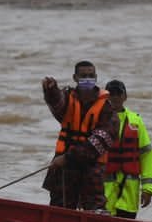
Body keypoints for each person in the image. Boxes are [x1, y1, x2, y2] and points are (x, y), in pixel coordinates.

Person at [42, 61, 115, 210]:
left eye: (91, 75)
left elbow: (100, 141)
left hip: (91, 168)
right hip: (64, 170)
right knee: (59, 205)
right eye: (83, 76)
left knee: (95, 207)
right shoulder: (68, 98)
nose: (87, 79)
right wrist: (51, 91)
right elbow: (57, 104)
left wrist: (69, 157)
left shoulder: (107, 108)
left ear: (96, 77)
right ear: (75, 78)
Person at [102, 80, 152, 219]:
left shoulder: (136, 121)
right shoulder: (99, 119)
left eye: (118, 93)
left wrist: (148, 189)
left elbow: (146, 154)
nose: (115, 97)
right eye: (111, 94)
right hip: (104, 189)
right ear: (105, 97)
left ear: (125, 97)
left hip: (130, 190)